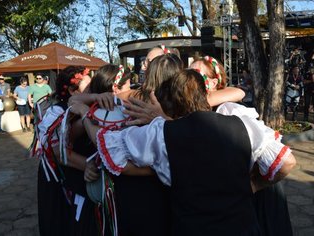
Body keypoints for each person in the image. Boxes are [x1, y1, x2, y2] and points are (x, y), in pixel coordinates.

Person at [70, 69, 296, 236]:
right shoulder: (242, 123)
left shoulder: (163, 134)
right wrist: (254, 185)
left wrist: (86, 116)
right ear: (205, 95)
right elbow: (286, 163)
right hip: (244, 229)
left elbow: (108, 145)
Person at [36, 66, 99, 235]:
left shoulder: (82, 109)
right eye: (89, 87)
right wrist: (88, 165)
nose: (93, 91)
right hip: (58, 180)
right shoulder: (57, 112)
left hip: (74, 177)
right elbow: (57, 151)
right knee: (60, 222)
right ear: (72, 90)